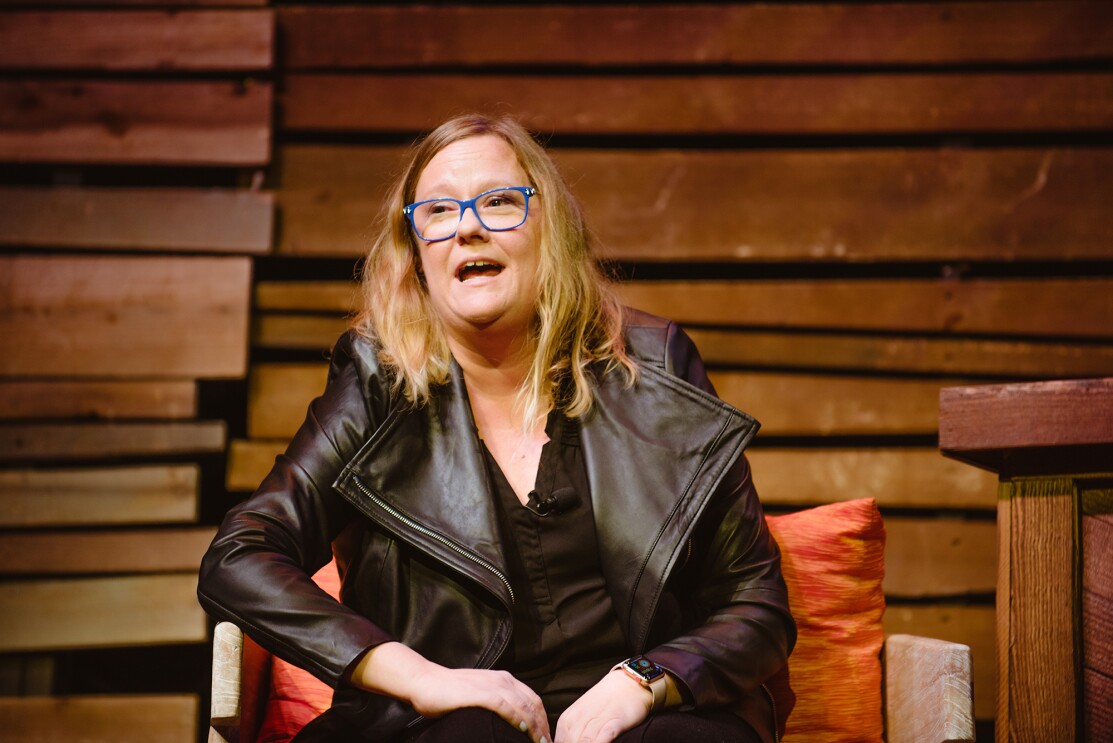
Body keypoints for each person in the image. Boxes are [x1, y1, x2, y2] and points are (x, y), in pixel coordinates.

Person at [198, 114, 795, 743]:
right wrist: (420, 676)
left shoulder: (652, 364)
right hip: (443, 727)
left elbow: (756, 605)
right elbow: (240, 556)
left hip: (644, 721)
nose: (470, 227)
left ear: (550, 231)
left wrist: (643, 681)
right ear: (416, 252)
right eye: (438, 211)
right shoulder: (378, 382)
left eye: (500, 202)